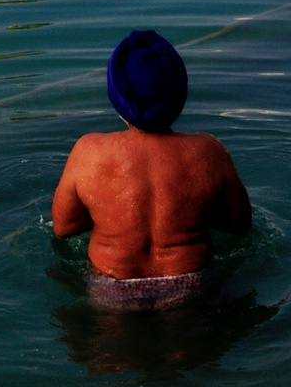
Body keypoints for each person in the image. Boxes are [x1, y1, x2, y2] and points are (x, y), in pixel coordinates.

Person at [53, 30, 251, 311]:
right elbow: (239, 223)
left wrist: (110, 218)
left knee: (111, 353)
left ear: (116, 96)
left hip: (112, 282)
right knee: (187, 352)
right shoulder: (208, 151)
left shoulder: (88, 152)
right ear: (180, 92)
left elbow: (64, 227)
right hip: (190, 279)